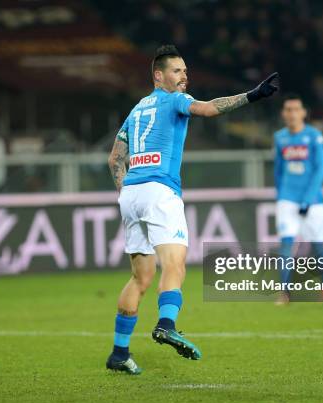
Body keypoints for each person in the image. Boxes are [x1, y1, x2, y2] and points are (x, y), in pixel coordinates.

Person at [106, 44, 279, 374]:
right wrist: (253, 95)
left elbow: (115, 158)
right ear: (159, 76)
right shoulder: (174, 100)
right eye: (176, 71)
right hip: (160, 192)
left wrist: (126, 194)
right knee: (176, 263)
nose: (184, 76)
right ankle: (167, 324)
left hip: (131, 193)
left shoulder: (136, 109)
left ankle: (118, 354)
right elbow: (211, 108)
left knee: (140, 278)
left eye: (185, 71)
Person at [273, 94, 323, 305]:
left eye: (296, 109)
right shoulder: (280, 137)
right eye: (288, 110)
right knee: (286, 246)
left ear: (304, 113)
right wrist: (280, 194)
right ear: (283, 114)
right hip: (288, 199)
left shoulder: (314, 136)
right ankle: (285, 294)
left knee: (318, 248)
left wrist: (307, 199)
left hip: (313, 200)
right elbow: (278, 169)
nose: (292, 114)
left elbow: (320, 169)